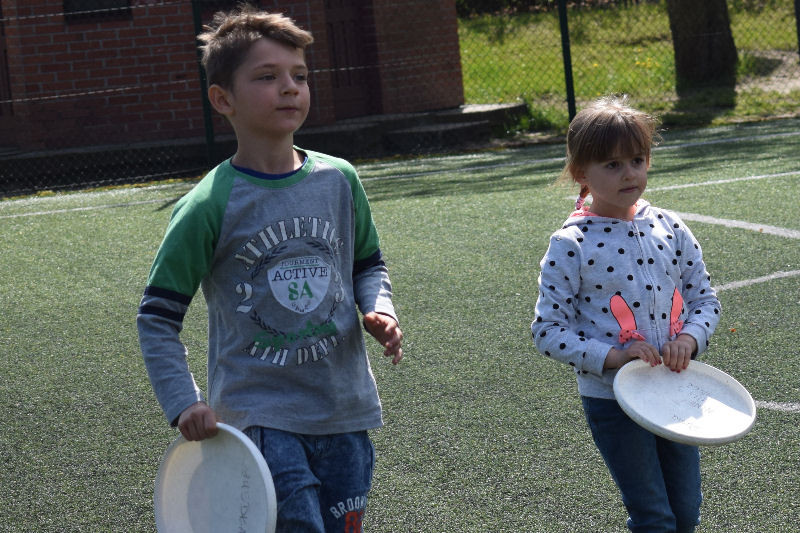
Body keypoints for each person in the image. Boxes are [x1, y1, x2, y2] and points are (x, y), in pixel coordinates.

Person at [136, 6, 403, 532]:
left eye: (299, 76)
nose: (289, 88)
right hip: (260, 418)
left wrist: (378, 306)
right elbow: (157, 317)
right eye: (267, 77)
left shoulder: (340, 180)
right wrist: (183, 401)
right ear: (223, 99)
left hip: (344, 409)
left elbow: (368, 264)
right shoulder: (208, 204)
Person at [530, 95, 721, 533]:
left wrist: (688, 340)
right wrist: (615, 358)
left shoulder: (670, 226)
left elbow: (706, 301)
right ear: (581, 173)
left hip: (675, 390)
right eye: (612, 165)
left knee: (686, 511)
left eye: (637, 159)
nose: (629, 173)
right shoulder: (570, 244)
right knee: (654, 516)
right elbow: (547, 330)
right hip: (615, 400)